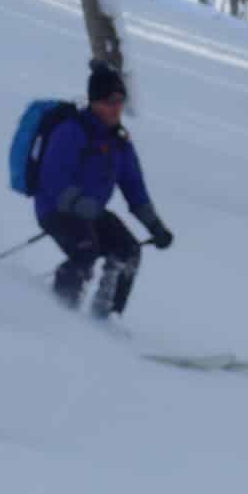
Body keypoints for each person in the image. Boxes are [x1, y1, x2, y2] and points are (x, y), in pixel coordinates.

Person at [34, 61, 174, 318]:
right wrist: (77, 203)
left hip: (91, 211)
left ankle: (105, 318)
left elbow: (134, 188)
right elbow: (52, 179)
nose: (116, 107)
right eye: (110, 100)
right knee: (86, 251)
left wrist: (155, 226)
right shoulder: (73, 131)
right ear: (95, 101)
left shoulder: (119, 141)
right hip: (57, 209)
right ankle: (57, 314)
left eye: (121, 100)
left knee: (129, 250)